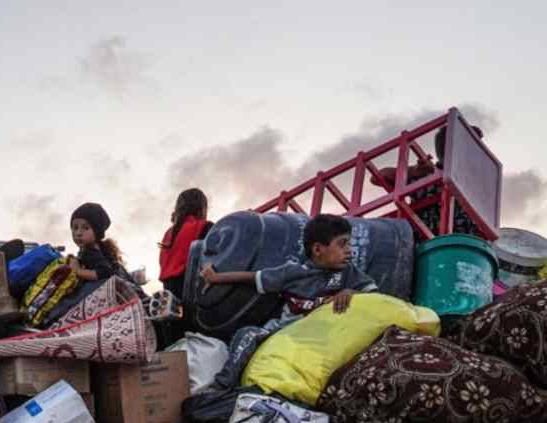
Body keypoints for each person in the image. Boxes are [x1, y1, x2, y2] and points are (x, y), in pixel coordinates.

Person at [202, 214, 378, 392]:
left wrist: (351, 292)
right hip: (285, 331)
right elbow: (253, 277)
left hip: (321, 337)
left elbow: (378, 298)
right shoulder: (293, 272)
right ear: (318, 249)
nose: (349, 250)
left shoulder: (348, 274)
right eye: (342, 244)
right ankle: (221, 386)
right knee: (247, 334)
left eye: (349, 244)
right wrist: (215, 278)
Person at [371, 125, 484, 238]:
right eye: (471, 147)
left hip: (466, 242)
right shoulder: (425, 174)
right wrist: (414, 171)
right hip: (427, 241)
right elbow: (378, 177)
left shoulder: (477, 181)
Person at [67, 202, 139, 287]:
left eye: (86, 228)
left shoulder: (91, 251)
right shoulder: (94, 249)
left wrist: (78, 271)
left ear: (97, 232)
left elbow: (105, 272)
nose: (78, 233)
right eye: (75, 228)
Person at [159, 188, 211, 301]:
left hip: (169, 294)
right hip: (192, 291)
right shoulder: (204, 226)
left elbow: (162, 262)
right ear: (202, 208)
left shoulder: (168, 233)